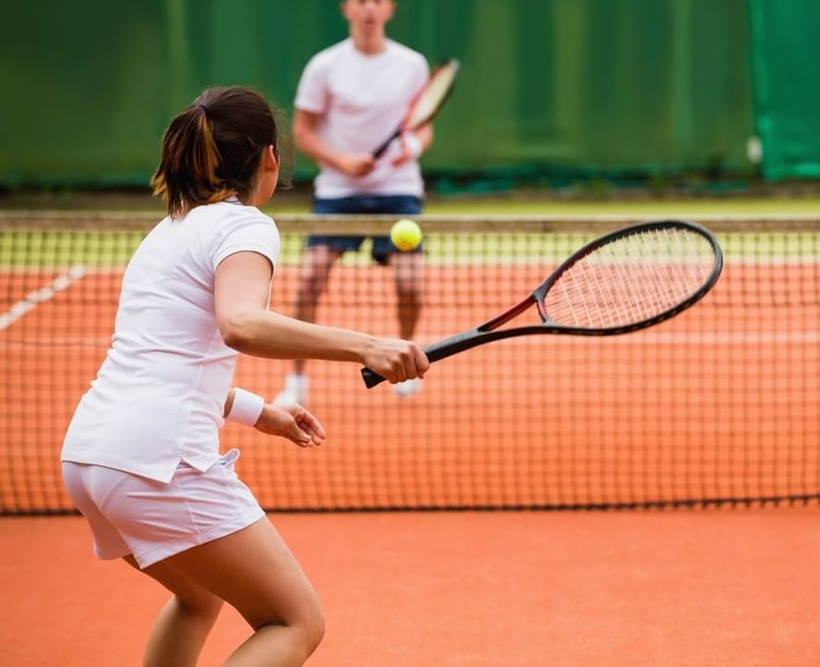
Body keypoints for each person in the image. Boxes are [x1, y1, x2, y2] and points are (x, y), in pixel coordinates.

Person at [60, 86, 428, 667]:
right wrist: (369, 345)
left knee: (197, 597)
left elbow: (166, 361)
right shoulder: (244, 226)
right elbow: (241, 324)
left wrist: (260, 411)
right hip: (158, 463)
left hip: (90, 458)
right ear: (270, 158)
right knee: (293, 621)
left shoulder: (168, 231)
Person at [275, 0, 433, 405]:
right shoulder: (324, 66)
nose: (368, 9)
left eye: (377, 1)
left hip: (397, 191)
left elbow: (421, 125)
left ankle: (406, 356)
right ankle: (296, 380)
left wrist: (411, 147)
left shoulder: (412, 64)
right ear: (347, 9)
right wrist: (341, 161)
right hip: (338, 194)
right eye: (360, 1)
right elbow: (304, 132)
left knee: (410, 285)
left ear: (390, 9)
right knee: (309, 282)